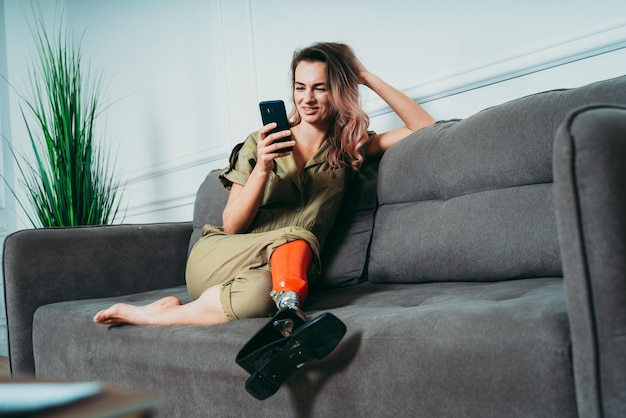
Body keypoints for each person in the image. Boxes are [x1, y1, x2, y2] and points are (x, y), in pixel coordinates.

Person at [94, 42, 434, 398]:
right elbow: (232, 226)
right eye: (300, 87)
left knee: (260, 296)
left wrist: (363, 75)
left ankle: (270, 314)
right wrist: (264, 167)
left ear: (337, 90)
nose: (308, 98)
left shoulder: (349, 147)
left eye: (320, 87)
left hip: (276, 277)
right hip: (221, 258)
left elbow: (423, 126)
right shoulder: (260, 143)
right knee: (296, 235)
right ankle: (286, 313)